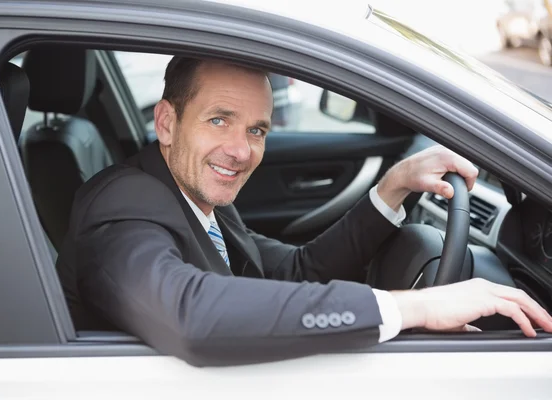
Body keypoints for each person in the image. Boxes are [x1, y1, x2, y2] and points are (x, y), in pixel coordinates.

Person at [56, 56, 552, 367]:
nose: (240, 150)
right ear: (167, 122)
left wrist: (392, 188)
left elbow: (297, 271)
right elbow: (192, 316)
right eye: (218, 120)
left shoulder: (198, 196)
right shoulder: (120, 206)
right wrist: (415, 307)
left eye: (256, 130)